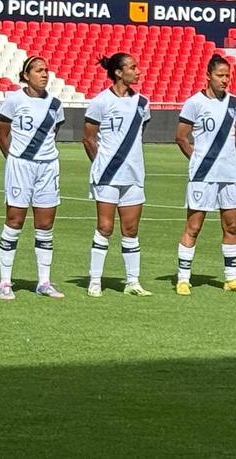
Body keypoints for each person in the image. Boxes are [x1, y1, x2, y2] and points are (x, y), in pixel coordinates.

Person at [174, 54, 236, 295]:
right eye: (220, 75)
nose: (225, 80)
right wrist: (198, 160)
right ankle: (183, 279)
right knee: (194, 226)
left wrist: (224, 158)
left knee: (231, 226)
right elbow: (181, 137)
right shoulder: (194, 103)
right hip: (203, 174)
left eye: (228, 75)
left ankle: (231, 278)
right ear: (208, 76)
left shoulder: (235, 103)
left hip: (230, 174)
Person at [0, 56, 66, 300]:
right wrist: (15, 161)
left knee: (45, 225)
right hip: (20, 166)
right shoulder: (14, 100)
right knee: (14, 221)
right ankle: (5, 281)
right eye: (38, 70)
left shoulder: (56, 105)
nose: (45, 74)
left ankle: (44, 282)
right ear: (26, 75)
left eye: (46, 70)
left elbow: (52, 135)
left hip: (48, 167)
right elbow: (2, 135)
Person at [83, 53, 153, 297]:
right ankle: (94, 281)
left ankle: (132, 282)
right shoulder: (101, 101)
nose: (138, 71)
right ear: (118, 72)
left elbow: (138, 134)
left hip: (134, 175)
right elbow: (89, 138)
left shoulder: (143, 103)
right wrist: (102, 164)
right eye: (133, 67)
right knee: (104, 227)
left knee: (131, 229)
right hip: (108, 175)